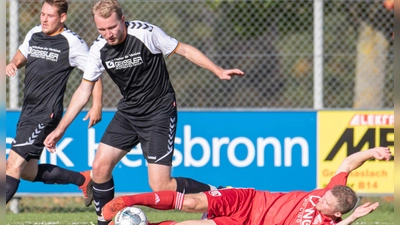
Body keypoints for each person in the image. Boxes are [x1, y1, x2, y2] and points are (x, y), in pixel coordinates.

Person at [43, 0, 244, 224]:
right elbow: (84, 89)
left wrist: (218, 70)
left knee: (161, 186)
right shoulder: (99, 49)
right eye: (102, 29)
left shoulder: (146, 34)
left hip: (159, 111)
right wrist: (61, 128)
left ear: (122, 20)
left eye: (112, 27)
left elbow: (184, 49)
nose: (108, 34)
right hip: (129, 112)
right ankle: (105, 221)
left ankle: (220, 194)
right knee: (99, 168)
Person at [102, 146, 392, 225]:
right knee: (190, 201)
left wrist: (354, 218)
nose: (320, 201)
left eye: (326, 205)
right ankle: (126, 202)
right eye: (324, 196)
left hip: (244, 223)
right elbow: (346, 165)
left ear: (336, 214)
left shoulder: (329, 223)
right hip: (249, 200)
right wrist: (371, 153)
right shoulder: (328, 192)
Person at [5, 0, 103, 207]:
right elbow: (23, 52)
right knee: (28, 173)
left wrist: (97, 104)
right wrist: (14, 63)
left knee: (11, 166)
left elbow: (94, 73)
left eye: (50, 15)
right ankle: (83, 179)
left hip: (45, 113)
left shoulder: (71, 42)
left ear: (62, 17)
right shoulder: (34, 32)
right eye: (42, 14)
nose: (44, 19)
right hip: (28, 111)